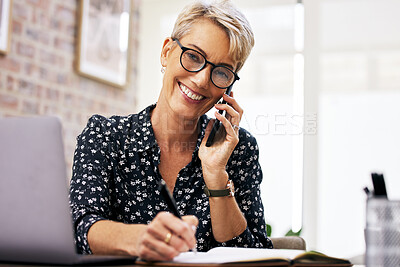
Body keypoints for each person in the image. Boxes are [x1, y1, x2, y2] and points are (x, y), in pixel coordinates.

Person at [69, 0, 273, 262]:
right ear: (167, 52)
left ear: (229, 87)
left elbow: (255, 257)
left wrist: (216, 175)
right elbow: (82, 228)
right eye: (193, 56)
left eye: (221, 72)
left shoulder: (238, 148)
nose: (201, 80)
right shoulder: (105, 136)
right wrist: (139, 238)